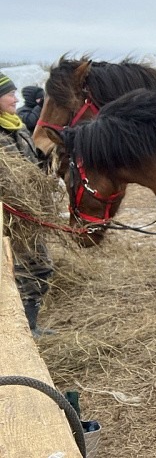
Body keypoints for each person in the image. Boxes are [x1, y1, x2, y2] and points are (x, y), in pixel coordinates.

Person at [0, 71, 54, 337]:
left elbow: (29, 163)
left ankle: (30, 325)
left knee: (42, 268)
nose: (14, 97)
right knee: (23, 273)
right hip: (10, 219)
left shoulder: (15, 125)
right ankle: (20, 333)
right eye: (9, 94)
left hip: (30, 214)